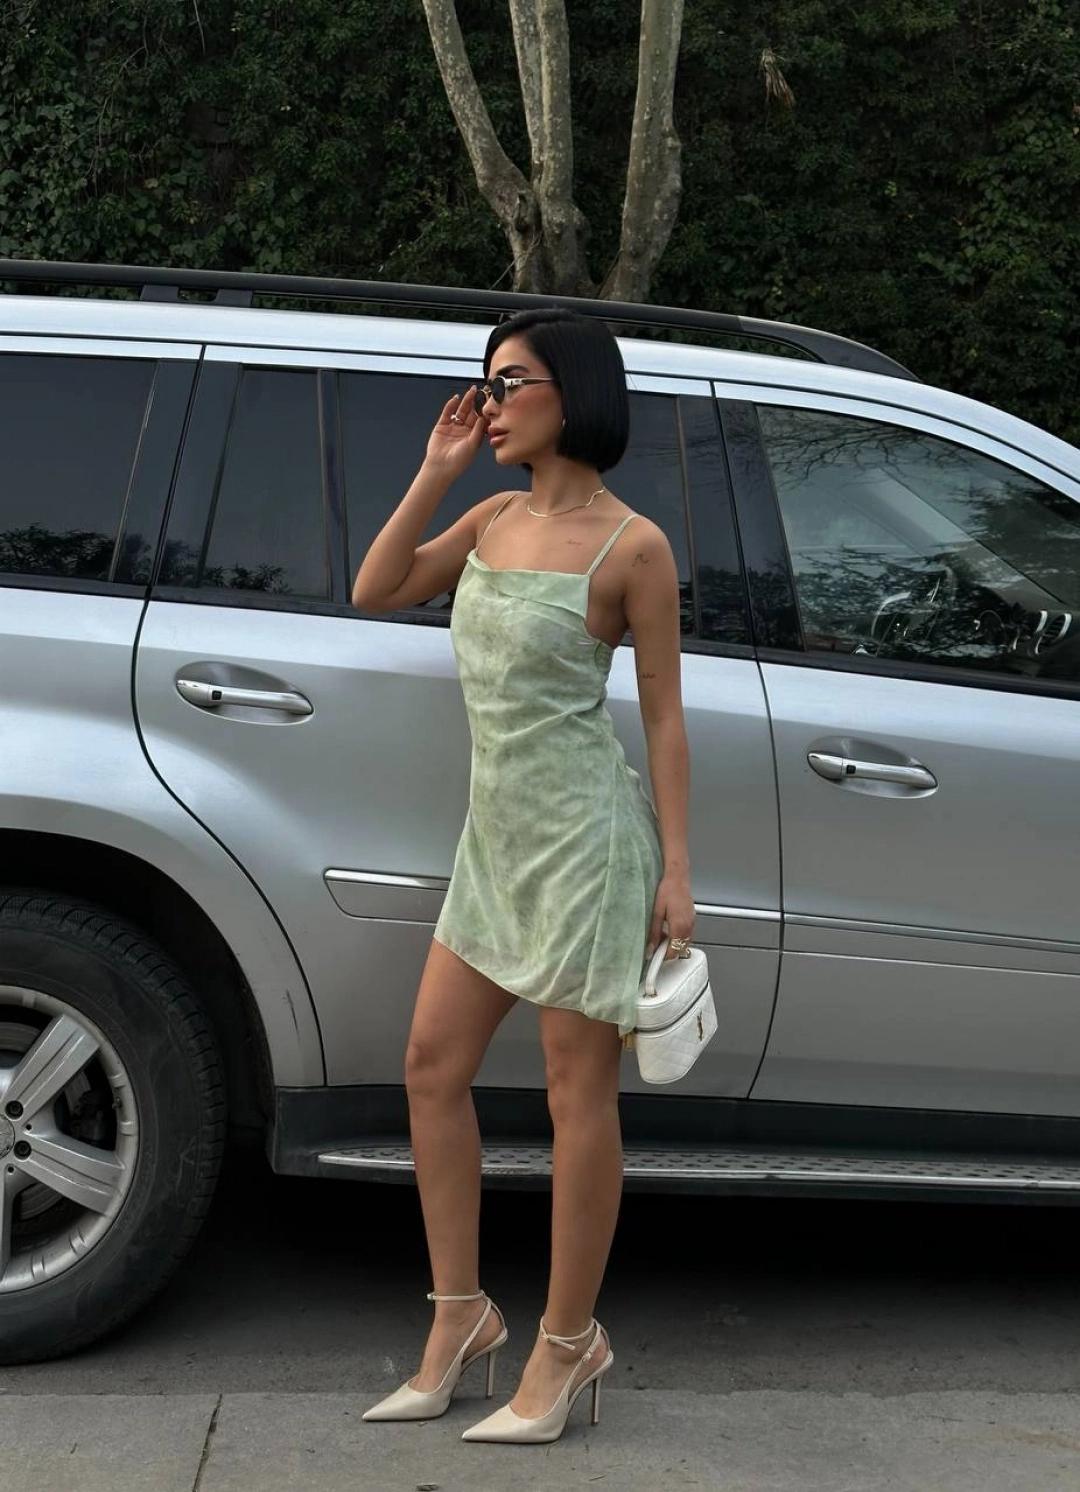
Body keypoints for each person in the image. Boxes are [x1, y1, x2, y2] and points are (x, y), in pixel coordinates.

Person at [352, 308, 693, 1444]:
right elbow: (376, 588)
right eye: (486, 382)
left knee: (572, 1096)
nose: (490, 404)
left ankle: (567, 1341)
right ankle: (460, 1319)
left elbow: (663, 716)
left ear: (573, 392)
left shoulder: (633, 547)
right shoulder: (490, 517)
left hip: (588, 849)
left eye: (511, 383)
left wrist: (677, 871)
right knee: (430, 1067)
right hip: (493, 845)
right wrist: (435, 470)